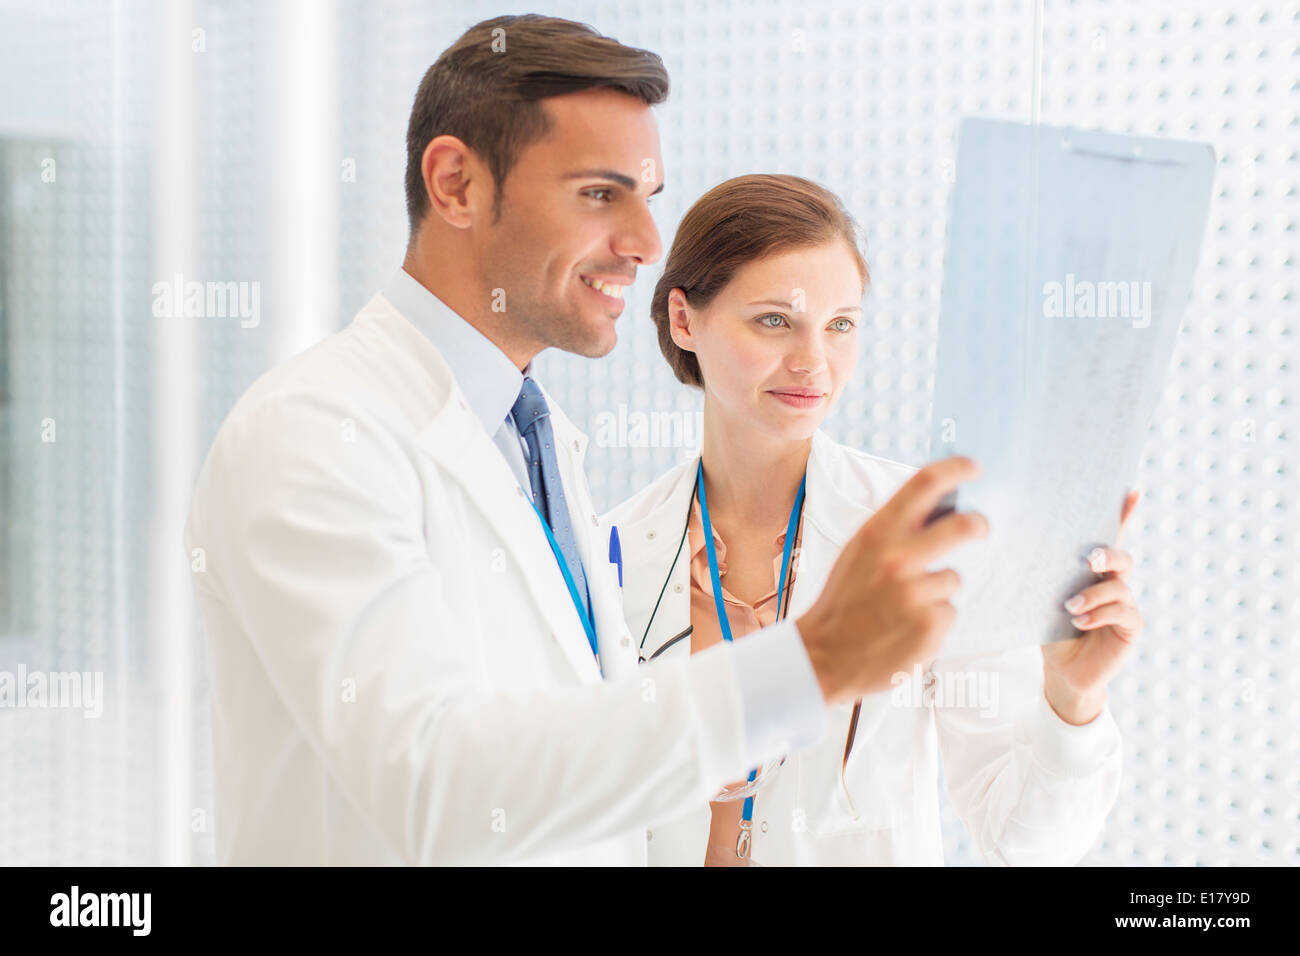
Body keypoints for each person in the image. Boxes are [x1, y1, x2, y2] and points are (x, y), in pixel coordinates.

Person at [183, 15, 985, 866]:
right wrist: (808, 663)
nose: (645, 244)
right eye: (602, 195)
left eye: (649, 200)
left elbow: (577, 765)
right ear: (456, 184)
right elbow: (434, 785)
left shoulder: (537, 446)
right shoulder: (315, 435)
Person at [604, 174, 1140, 866]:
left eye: (841, 325)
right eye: (774, 320)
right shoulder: (609, 549)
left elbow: (1025, 842)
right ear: (685, 321)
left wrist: (1073, 696)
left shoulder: (927, 535)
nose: (813, 362)